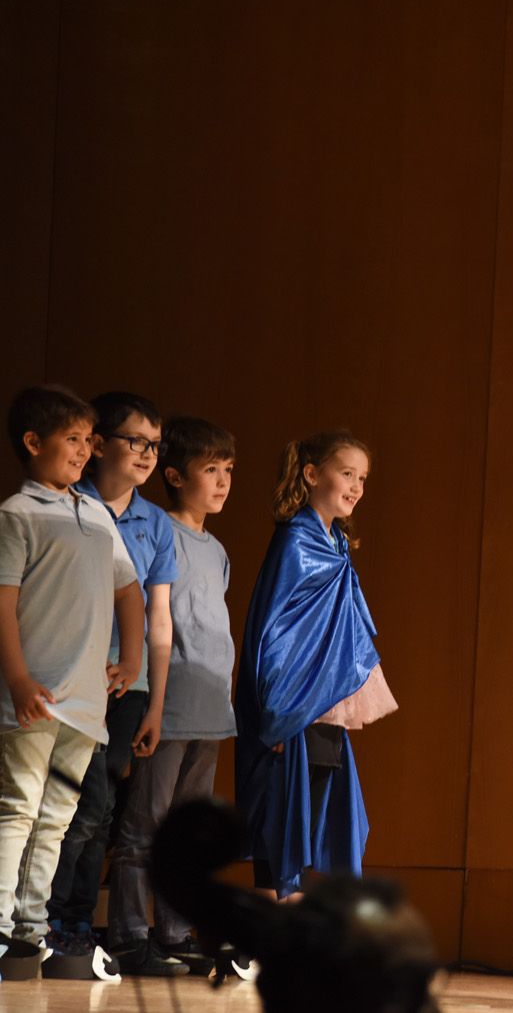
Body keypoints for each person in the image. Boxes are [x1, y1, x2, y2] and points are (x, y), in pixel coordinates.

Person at [0, 386, 143, 957]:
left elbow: (128, 590)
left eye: (89, 439)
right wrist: (17, 677)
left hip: (84, 705)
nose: (85, 449)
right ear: (34, 443)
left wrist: (132, 660)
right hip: (35, 695)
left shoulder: (95, 513)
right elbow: (4, 600)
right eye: (73, 439)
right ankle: (1, 923)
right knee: (19, 807)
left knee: (57, 815)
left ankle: (31, 927)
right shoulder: (17, 514)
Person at [46, 391, 184, 976]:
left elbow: (159, 617)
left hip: (130, 686)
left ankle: (77, 922)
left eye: (155, 444)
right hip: (70, 676)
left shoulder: (155, 523)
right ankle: (46, 921)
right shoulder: (67, 503)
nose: (148, 453)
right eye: (136, 441)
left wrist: (154, 702)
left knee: (101, 808)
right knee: (65, 804)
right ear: (99, 445)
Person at [235, 431, 397, 899]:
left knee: (312, 803)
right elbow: (272, 628)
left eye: (362, 478)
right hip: (293, 699)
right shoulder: (295, 541)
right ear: (311, 474)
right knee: (282, 807)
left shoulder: (336, 542)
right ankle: (274, 912)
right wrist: (277, 712)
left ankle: (292, 908)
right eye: (347, 474)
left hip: (325, 697)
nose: (356, 487)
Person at [105, 417, 239, 975]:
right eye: (211, 469)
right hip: (169, 704)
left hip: (211, 711)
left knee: (187, 835)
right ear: (177, 475)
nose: (223, 481)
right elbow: (152, 617)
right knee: (145, 825)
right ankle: (130, 933)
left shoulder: (217, 549)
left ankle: (176, 930)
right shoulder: (158, 530)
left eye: (228, 469)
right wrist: (153, 702)